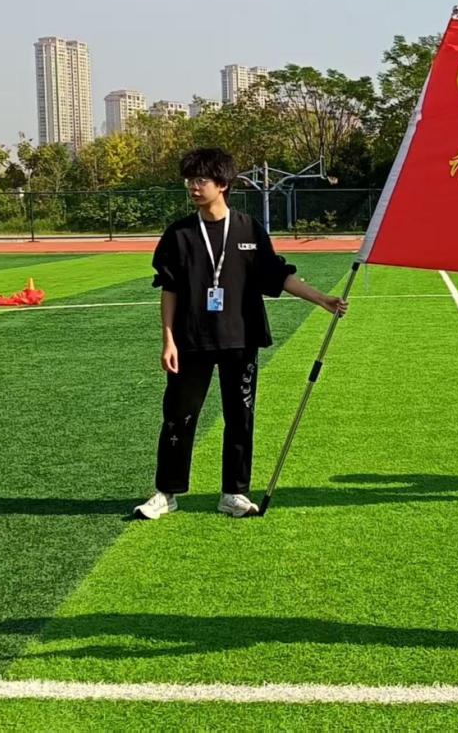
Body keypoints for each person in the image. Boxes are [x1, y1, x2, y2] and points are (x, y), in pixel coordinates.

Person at [134, 148, 347, 520]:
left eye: (201, 180)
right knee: (178, 417)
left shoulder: (249, 229)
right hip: (191, 341)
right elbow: (169, 289)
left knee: (240, 417)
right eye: (189, 180)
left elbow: (277, 275)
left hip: (240, 339)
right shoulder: (179, 234)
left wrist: (321, 299)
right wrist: (168, 339)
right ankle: (166, 492)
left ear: (222, 184)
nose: (193, 187)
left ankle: (234, 492)